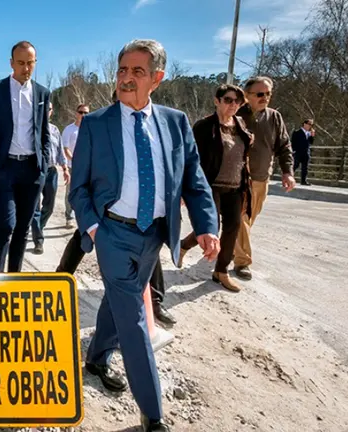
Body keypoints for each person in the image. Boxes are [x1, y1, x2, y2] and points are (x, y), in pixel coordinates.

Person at [68, 39, 219, 432]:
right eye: (122, 70)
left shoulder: (175, 122)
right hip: (112, 233)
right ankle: (153, 414)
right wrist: (95, 228)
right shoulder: (96, 124)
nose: (126, 78)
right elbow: (78, 188)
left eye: (137, 71)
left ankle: (96, 358)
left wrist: (206, 226)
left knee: (121, 301)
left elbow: (194, 179)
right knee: (134, 318)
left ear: (157, 78)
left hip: (154, 235)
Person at [56, 92, 176, 326]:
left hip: (136, 207)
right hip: (99, 201)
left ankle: (155, 301)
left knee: (149, 251)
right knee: (82, 238)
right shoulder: (99, 126)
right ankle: (59, 280)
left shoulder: (146, 128)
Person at [0, 40, 51, 273]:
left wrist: (44, 164)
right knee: (6, 224)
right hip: (5, 167)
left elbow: (44, 132)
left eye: (30, 63)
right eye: (20, 63)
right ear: (11, 63)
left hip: (32, 169)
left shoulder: (42, 93)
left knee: (22, 228)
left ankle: (14, 279)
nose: (26, 68)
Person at [178, 84, 253, 293]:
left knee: (233, 228)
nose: (233, 104)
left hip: (236, 186)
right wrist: (185, 188)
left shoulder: (240, 124)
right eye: (228, 100)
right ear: (217, 101)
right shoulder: (204, 126)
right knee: (212, 227)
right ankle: (184, 246)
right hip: (210, 185)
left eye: (237, 101)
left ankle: (221, 270)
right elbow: (189, 159)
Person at [233, 76, 296, 280]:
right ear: (247, 95)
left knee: (249, 219)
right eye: (260, 94)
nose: (265, 98)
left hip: (261, 178)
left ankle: (231, 244)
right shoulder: (235, 114)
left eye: (268, 94)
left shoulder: (274, 117)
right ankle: (242, 261)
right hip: (237, 178)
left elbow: (284, 146)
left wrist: (287, 172)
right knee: (241, 218)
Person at [31, 104, 69, 254]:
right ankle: (38, 240)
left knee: (50, 205)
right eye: (44, 108)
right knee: (35, 207)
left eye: (50, 109)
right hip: (35, 171)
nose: (47, 111)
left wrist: (65, 169)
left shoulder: (54, 130)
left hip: (52, 171)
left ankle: (38, 226)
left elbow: (60, 150)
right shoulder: (32, 128)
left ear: (52, 112)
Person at [61, 103, 90, 227]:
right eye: (81, 112)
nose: (83, 115)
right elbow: (65, 148)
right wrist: (74, 160)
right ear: (76, 113)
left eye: (86, 113)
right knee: (71, 192)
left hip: (88, 166)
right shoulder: (69, 129)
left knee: (87, 192)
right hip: (73, 166)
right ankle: (69, 217)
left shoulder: (91, 129)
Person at [292, 119, 315, 186]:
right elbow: (293, 142)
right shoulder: (297, 132)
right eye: (309, 124)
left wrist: (312, 136)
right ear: (304, 124)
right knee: (295, 166)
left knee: (305, 167)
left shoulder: (309, 133)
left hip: (306, 152)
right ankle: (289, 178)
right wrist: (294, 151)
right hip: (298, 152)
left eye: (311, 125)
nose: (310, 126)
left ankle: (303, 181)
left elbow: (311, 142)